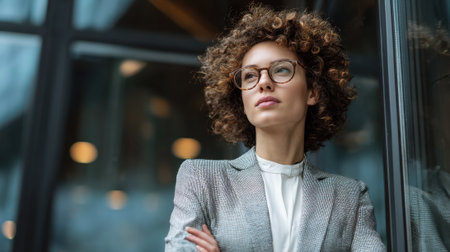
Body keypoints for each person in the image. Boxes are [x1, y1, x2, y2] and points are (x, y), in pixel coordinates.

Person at [165, 4, 385, 252]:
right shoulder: (202, 178)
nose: (264, 83)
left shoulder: (349, 196)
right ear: (241, 99)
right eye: (250, 76)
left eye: (281, 70)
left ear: (312, 91)